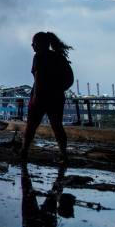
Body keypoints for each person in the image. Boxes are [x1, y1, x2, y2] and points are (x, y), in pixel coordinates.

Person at [20, 31, 72, 163]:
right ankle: (63, 154)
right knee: (57, 126)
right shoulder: (59, 57)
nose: (32, 45)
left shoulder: (39, 57)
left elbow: (38, 78)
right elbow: (70, 79)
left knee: (31, 126)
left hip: (41, 97)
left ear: (42, 44)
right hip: (56, 98)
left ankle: (24, 152)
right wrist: (59, 89)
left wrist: (36, 97)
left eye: (34, 43)